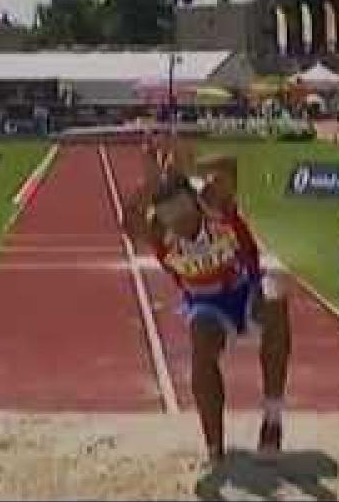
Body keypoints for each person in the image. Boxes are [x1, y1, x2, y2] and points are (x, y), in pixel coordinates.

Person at [123, 138, 291, 466]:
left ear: (192, 201)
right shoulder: (161, 233)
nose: (181, 224)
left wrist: (190, 166)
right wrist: (151, 184)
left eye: (184, 213)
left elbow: (229, 165)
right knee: (200, 346)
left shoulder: (213, 204)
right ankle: (215, 447)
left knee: (275, 295)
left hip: (244, 287)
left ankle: (272, 419)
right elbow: (129, 222)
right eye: (171, 218)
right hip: (206, 302)